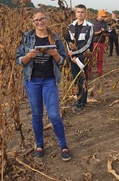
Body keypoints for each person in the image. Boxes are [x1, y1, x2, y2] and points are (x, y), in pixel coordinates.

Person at [16, 10, 71, 162]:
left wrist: (55, 54)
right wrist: (28, 56)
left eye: (42, 19)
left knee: (54, 114)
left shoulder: (55, 38)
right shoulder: (27, 38)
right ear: (32, 22)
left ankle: (63, 145)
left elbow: (63, 61)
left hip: (49, 80)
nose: (40, 22)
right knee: (37, 114)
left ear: (47, 20)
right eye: (36, 20)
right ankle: (39, 145)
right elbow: (18, 59)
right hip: (32, 80)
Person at [64, 4, 94, 113]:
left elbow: (88, 43)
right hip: (72, 57)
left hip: (83, 57)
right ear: (75, 13)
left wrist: (75, 53)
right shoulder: (70, 26)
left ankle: (82, 102)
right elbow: (68, 42)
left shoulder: (89, 26)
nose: (80, 14)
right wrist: (70, 53)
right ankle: (78, 98)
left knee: (83, 79)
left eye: (82, 12)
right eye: (78, 12)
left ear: (85, 13)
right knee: (75, 79)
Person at [88, 10, 109, 77]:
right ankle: (89, 73)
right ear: (98, 15)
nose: (103, 18)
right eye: (102, 16)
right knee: (91, 58)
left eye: (104, 17)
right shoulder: (91, 22)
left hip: (102, 42)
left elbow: (107, 33)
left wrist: (105, 33)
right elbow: (90, 33)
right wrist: (100, 31)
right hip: (94, 43)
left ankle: (100, 73)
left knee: (100, 59)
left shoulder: (105, 23)